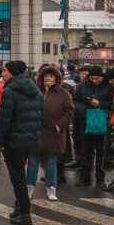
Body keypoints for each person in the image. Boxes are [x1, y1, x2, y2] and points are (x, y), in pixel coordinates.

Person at [0, 61, 42, 225]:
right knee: (20, 175)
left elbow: (4, 121)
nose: (2, 74)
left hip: (14, 141)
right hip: (30, 138)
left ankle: (25, 213)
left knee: (18, 178)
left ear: (13, 72)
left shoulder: (10, 91)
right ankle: (19, 207)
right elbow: (39, 115)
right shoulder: (34, 89)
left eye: (5, 71)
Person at [27, 65, 73, 202]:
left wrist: (59, 125)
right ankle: (29, 188)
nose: (48, 78)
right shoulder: (36, 91)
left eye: (51, 76)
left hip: (53, 133)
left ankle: (51, 188)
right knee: (33, 162)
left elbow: (69, 111)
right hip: (36, 132)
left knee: (51, 163)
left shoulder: (63, 93)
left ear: (56, 78)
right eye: (46, 76)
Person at [73, 66, 113, 188]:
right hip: (85, 121)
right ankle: (85, 177)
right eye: (92, 78)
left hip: (101, 121)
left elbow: (112, 104)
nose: (94, 81)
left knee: (100, 151)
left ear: (102, 77)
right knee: (86, 151)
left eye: (97, 78)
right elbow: (75, 100)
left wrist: (100, 103)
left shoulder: (108, 87)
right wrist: (81, 110)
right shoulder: (83, 86)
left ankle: (100, 179)